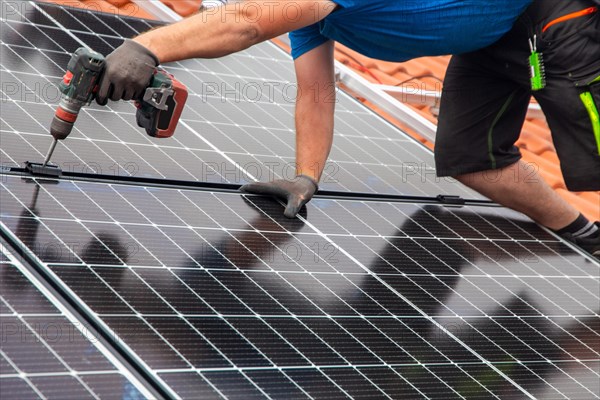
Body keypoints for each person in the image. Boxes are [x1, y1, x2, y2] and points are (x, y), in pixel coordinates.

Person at [96, 0, 600, 258]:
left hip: (555, 16)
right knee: (473, 160)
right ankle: (586, 233)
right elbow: (315, 92)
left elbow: (246, 22)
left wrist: (148, 48)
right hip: (491, 38)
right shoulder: (309, 18)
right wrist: (305, 176)